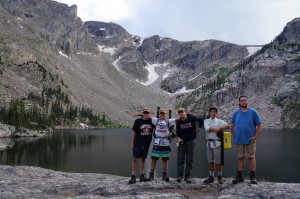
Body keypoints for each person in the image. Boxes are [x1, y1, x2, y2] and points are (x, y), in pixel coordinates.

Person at [231, 96, 262, 184]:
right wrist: (233, 136)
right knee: (240, 157)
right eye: (241, 100)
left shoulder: (253, 112)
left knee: (251, 157)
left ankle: (253, 177)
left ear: (247, 101)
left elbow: (259, 126)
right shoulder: (236, 113)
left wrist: (255, 137)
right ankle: (240, 177)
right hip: (239, 140)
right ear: (239, 102)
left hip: (250, 140)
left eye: (245, 100)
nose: (243, 101)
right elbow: (232, 125)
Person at [147, 108, 176, 181]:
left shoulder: (170, 121)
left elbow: (178, 119)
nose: (163, 114)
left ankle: (164, 175)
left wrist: (187, 115)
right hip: (157, 143)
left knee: (165, 159)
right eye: (161, 113)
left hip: (166, 143)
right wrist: (140, 114)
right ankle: (151, 175)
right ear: (160, 114)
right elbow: (147, 116)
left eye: (164, 113)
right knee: (154, 159)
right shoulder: (155, 120)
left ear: (166, 114)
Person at [203, 106, 230, 184]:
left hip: (217, 143)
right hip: (209, 143)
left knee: (218, 161)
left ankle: (219, 176)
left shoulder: (220, 121)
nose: (213, 113)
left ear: (216, 113)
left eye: (214, 111)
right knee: (210, 160)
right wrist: (217, 129)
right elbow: (207, 128)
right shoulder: (206, 120)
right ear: (210, 113)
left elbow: (228, 125)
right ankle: (211, 177)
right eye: (212, 111)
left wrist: (220, 128)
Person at [176, 107, 203, 183]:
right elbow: (177, 132)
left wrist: (200, 128)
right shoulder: (178, 122)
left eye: (182, 112)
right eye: (179, 112)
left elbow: (200, 119)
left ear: (185, 112)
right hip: (181, 142)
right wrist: (178, 138)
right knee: (180, 159)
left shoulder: (191, 117)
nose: (181, 113)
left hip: (191, 141)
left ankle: (187, 177)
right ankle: (179, 176)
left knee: (189, 160)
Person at [129, 108, 155, 184]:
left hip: (146, 143)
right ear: (143, 113)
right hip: (138, 142)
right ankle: (133, 176)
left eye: (147, 113)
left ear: (149, 114)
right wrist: (132, 143)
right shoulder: (137, 121)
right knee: (134, 158)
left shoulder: (151, 122)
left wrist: (141, 115)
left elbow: (158, 121)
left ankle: (141, 176)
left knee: (143, 159)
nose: (146, 114)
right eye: (145, 112)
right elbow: (134, 133)